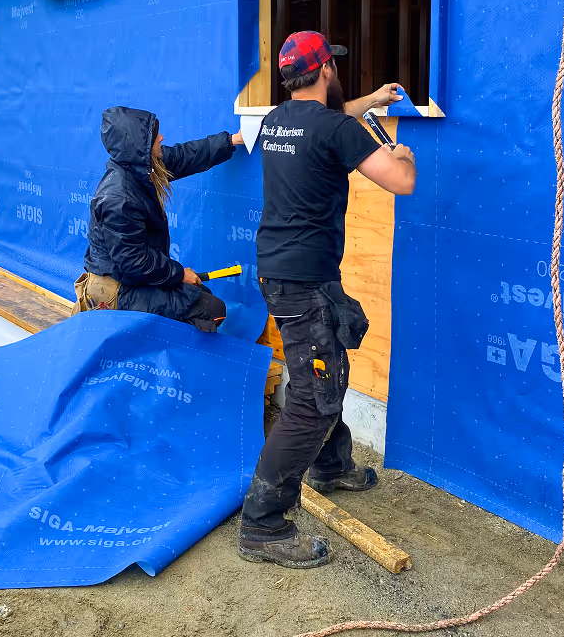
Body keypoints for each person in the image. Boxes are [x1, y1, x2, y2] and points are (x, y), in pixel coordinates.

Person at [238, 30, 417, 569]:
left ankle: (332, 467)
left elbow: (327, 124)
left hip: (282, 273)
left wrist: (374, 102)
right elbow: (401, 183)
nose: (337, 75)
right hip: (303, 282)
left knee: (324, 367)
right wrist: (399, 153)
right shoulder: (336, 129)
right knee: (316, 397)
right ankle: (263, 524)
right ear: (324, 72)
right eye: (333, 68)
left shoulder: (275, 122)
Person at [74, 106, 245, 332]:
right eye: (155, 136)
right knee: (210, 310)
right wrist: (178, 274)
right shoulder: (119, 198)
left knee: (201, 296)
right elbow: (133, 262)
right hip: (115, 290)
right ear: (138, 145)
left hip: (130, 278)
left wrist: (233, 140)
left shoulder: (140, 168)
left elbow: (186, 155)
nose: (162, 138)